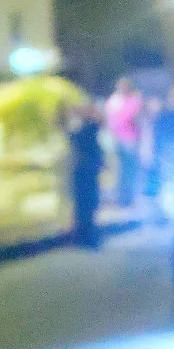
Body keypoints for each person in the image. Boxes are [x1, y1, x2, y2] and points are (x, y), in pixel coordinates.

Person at [103, 76, 146, 207]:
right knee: (117, 169)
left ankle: (130, 197)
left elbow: (139, 118)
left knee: (130, 169)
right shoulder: (114, 101)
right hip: (116, 139)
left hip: (131, 139)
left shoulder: (135, 100)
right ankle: (119, 197)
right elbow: (108, 119)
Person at [67, 100, 105, 249]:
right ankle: (84, 234)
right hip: (84, 169)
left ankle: (85, 234)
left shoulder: (89, 127)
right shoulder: (83, 127)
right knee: (85, 203)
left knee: (87, 203)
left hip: (86, 169)